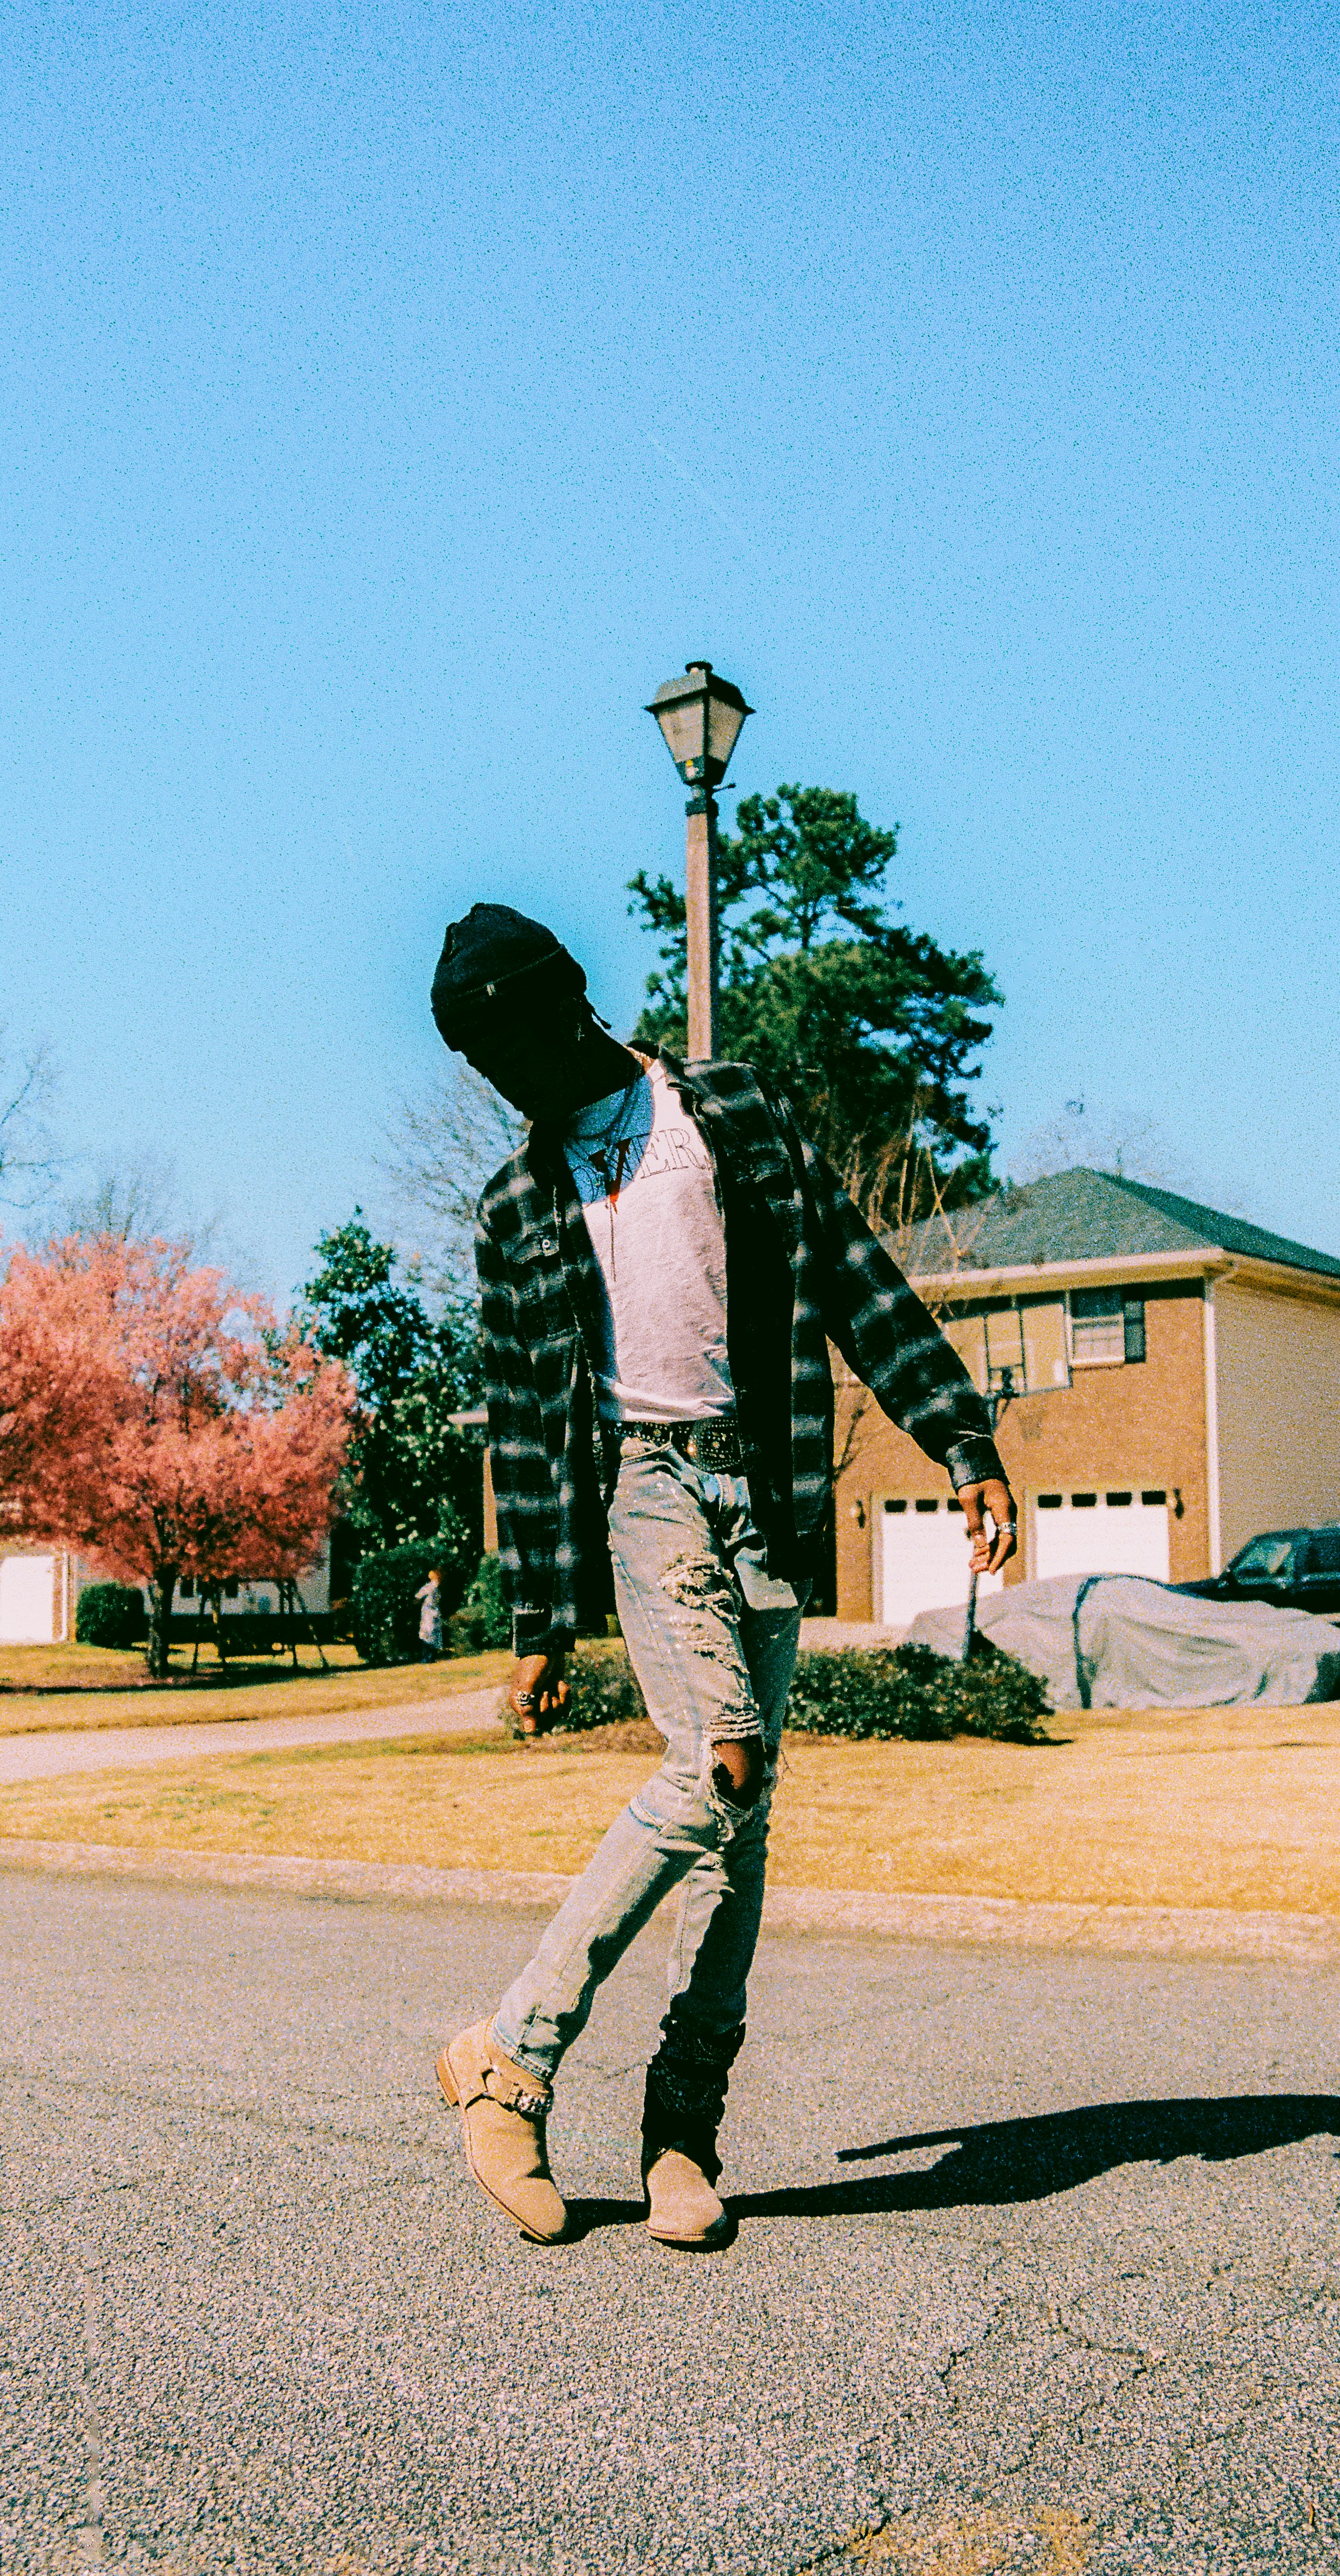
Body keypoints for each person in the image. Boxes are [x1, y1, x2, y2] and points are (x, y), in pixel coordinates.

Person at [429, 903, 1015, 2249]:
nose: (518, 1083)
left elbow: (858, 1278)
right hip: (645, 1488)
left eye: (525, 1046)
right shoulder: (517, 1200)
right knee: (721, 1768)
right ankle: (508, 2055)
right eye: (491, 1069)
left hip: (763, 1482)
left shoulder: (731, 1113)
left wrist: (958, 1434)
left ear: (571, 1005)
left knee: (734, 1837)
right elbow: (524, 1415)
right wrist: (537, 1617)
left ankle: (681, 2136)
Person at [415, 1566, 445, 1662]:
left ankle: (431, 1657)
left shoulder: (437, 1588)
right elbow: (418, 1597)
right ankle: (426, 1658)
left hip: (435, 1612)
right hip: (428, 1613)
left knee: (434, 1635)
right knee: (427, 1633)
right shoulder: (429, 1587)